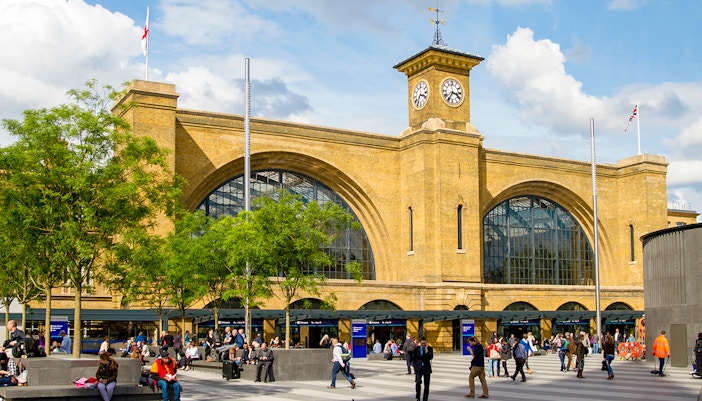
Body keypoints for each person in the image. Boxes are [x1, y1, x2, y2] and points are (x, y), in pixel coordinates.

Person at [412, 336, 433, 401]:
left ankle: (425, 399)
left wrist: (426, 350)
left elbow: (431, 357)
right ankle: (418, 396)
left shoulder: (429, 348)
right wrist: (415, 366)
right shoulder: (416, 349)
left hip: (426, 368)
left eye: (424, 343)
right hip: (419, 368)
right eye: (422, 343)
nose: (423, 345)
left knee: (426, 384)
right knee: (418, 382)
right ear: (420, 343)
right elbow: (413, 358)